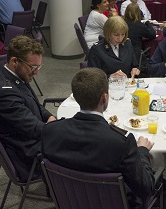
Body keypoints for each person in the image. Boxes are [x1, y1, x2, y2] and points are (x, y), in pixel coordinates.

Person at [41, 68, 155, 209]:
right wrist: (143, 151)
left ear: (76, 97)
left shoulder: (50, 131)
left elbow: (47, 178)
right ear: (104, 98)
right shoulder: (121, 142)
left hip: (69, 201)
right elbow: (145, 188)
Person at [0, 36, 56, 183]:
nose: (36, 72)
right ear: (14, 61)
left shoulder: (16, 77)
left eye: (39, 67)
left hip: (31, 141)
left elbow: (34, 105)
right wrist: (59, 130)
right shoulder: (6, 92)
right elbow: (34, 128)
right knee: (80, 149)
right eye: (33, 67)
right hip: (28, 156)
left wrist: (50, 117)